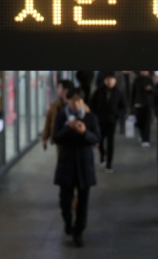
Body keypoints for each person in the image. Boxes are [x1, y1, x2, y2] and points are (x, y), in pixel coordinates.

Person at [53, 88, 101, 248]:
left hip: (84, 165)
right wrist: (69, 128)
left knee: (83, 202)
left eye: (79, 100)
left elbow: (96, 139)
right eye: (73, 100)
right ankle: (68, 221)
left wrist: (84, 132)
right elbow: (56, 137)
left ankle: (79, 232)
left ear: (83, 102)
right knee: (64, 201)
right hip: (66, 164)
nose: (76, 103)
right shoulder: (62, 117)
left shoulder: (90, 117)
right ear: (68, 101)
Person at [89, 72, 126, 173]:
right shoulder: (98, 92)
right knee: (99, 140)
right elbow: (91, 104)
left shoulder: (118, 92)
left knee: (110, 142)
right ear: (104, 80)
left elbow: (122, 106)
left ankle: (109, 164)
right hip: (99, 121)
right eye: (108, 79)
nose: (110, 81)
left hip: (111, 121)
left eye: (112, 79)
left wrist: (117, 115)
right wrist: (93, 116)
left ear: (115, 80)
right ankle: (102, 155)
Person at [42, 79, 76, 151]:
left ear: (66, 90)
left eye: (59, 87)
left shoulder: (77, 104)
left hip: (73, 140)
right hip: (60, 139)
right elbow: (48, 122)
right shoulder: (55, 105)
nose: (57, 90)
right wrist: (45, 138)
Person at [132, 71, 154, 147]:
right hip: (138, 103)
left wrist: (150, 89)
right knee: (140, 122)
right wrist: (131, 104)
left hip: (147, 104)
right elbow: (133, 92)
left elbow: (154, 91)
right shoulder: (137, 80)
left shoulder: (150, 80)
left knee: (147, 123)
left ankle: (146, 140)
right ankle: (142, 136)